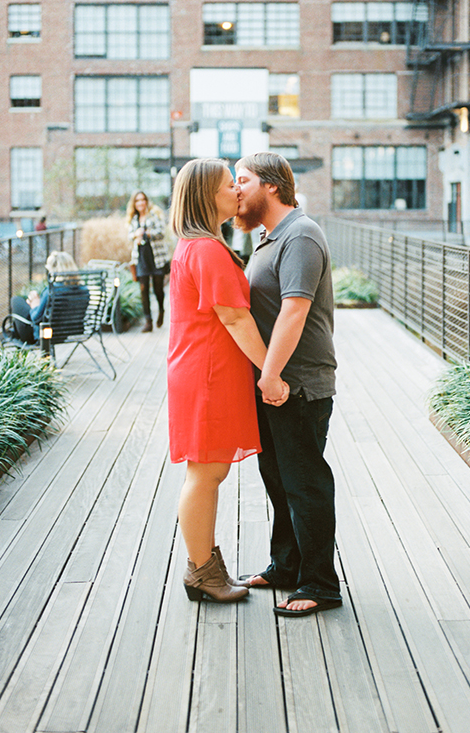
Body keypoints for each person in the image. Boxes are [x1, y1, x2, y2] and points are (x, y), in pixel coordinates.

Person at [167, 158, 289, 604]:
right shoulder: (206, 250)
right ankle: (201, 570)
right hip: (207, 375)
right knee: (205, 474)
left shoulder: (196, 246)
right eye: (227, 186)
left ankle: (205, 566)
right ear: (205, 196)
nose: (237, 192)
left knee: (206, 473)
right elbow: (236, 319)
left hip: (203, 371)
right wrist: (270, 375)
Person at [234, 152, 341, 618]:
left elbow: (295, 310)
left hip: (297, 385)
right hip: (274, 385)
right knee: (278, 481)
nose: (235, 190)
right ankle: (286, 565)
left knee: (305, 484)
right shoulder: (269, 238)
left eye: (243, 180)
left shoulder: (300, 235)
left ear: (272, 186)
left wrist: (272, 374)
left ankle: (320, 583)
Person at [8, 250, 79, 343]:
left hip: (43, 335)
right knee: (24, 302)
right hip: (67, 333)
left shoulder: (52, 291)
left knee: (16, 300)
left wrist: (35, 305)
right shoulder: (83, 290)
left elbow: (36, 319)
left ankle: (15, 335)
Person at [126, 190, 170, 333]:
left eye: (142, 200)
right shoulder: (134, 219)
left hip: (155, 256)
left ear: (146, 201)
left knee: (158, 288)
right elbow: (129, 235)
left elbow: (161, 232)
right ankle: (148, 321)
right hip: (141, 257)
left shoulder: (154, 215)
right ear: (134, 203)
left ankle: (161, 310)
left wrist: (146, 233)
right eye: (137, 200)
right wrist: (135, 235)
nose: (140, 203)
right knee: (143, 289)